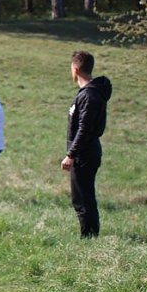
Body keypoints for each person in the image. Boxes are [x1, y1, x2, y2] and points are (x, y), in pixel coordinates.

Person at [61, 51, 112, 238]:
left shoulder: (89, 96)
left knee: (82, 197)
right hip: (85, 151)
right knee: (82, 195)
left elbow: (85, 129)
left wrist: (71, 154)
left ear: (75, 69)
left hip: (85, 152)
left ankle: (89, 237)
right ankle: (89, 234)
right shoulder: (88, 93)